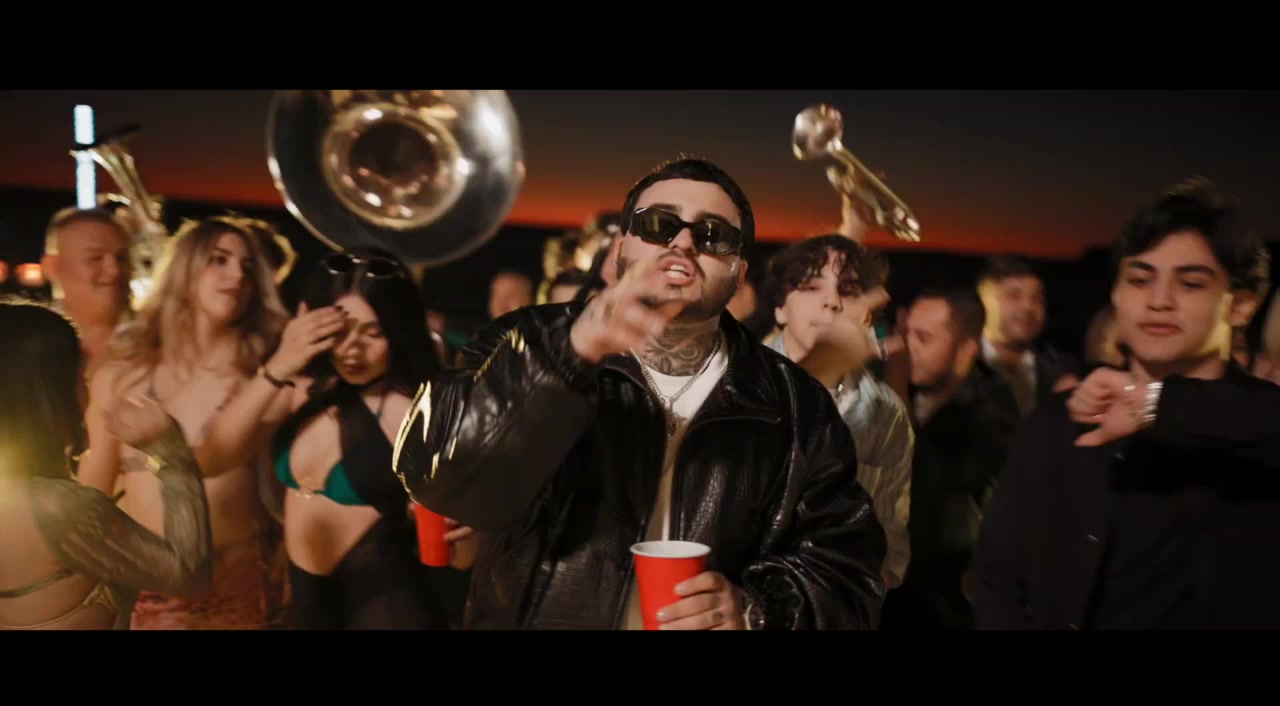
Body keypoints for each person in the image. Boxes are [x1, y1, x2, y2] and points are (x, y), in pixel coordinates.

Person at [392, 157, 886, 630]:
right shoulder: (522, 340)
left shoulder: (797, 404)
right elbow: (439, 479)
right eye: (659, 225)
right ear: (622, 248)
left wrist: (755, 612)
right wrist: (571, 352)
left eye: (713, 235)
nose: (684, 241)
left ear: (738, 272)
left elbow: (847, 569)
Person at [974, 178, 1280, 629]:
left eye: (1190, 283)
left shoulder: (1259, 424)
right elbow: (996, 575)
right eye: (1139, 279)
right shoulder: (1058, 420)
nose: (1158, 301)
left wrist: (1152, 403)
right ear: (1116, 294)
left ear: (1241, 306)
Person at [197, 247, 471, 630]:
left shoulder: (415, 413)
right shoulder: (300, 391)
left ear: (398, 332)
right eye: (339, 331)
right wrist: (280, 363)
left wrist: (469, 524)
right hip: (304, 606)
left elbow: (460, 557)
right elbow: (212, 459)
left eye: (373, 333)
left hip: (389, 610)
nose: (352, 349)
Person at [78, 217, 290, 630]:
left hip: (236, 584)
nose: (237, 276)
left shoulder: (261, 374)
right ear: (184, 269)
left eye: (248, 267)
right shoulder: (124, 375)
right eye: (219, 260)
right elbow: (93, 490)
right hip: (146, 585)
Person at [0, 301, 212, 630]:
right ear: (48, 392)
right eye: (80, 378)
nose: (88, 391)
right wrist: (172, 453)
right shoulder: (60, 509)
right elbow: (189, 574)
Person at [762, 233, 913, 591]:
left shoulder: (886, 411)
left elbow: (890, 534)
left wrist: (867, 590)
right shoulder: (738, 383)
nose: (831, 302)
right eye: (812, 287)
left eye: (848, 290)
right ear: (781, 308)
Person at [880, 286, 1019, 630]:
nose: (906, 347)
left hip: (943, 605)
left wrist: (895, 386)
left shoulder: (993, 409)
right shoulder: (906, 388)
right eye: (905, 333)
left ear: (965, 350)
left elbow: (929, 484)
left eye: (923, 338)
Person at [977, 255, 1082, 414]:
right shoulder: (959, 369)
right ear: (984, 301)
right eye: (1014, 295)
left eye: (1036, 298)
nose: (1028, 306)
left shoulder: (1063, 369)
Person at [39, 207, 133, 379]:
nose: (114, 270)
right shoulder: (30, 348)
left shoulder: (159, 345)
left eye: (121, 258)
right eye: (95, 258)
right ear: (52, 267)